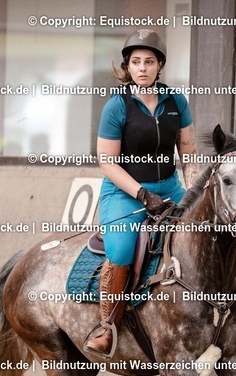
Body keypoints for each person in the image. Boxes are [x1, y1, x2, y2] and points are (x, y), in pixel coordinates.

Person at [85, 29, 200, 355]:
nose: (142, 68)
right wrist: (142, 195)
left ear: (159, 65)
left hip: (169, 186)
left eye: (149, 61)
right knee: (121, 250)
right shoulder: (116, 106)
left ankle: (227, 315)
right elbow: (107, 163)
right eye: (136, 62)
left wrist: (193, 191)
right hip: (124, 191)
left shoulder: (177, 101)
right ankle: (107, 327)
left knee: (208, 227)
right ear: (128, 66)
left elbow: (189, 152)